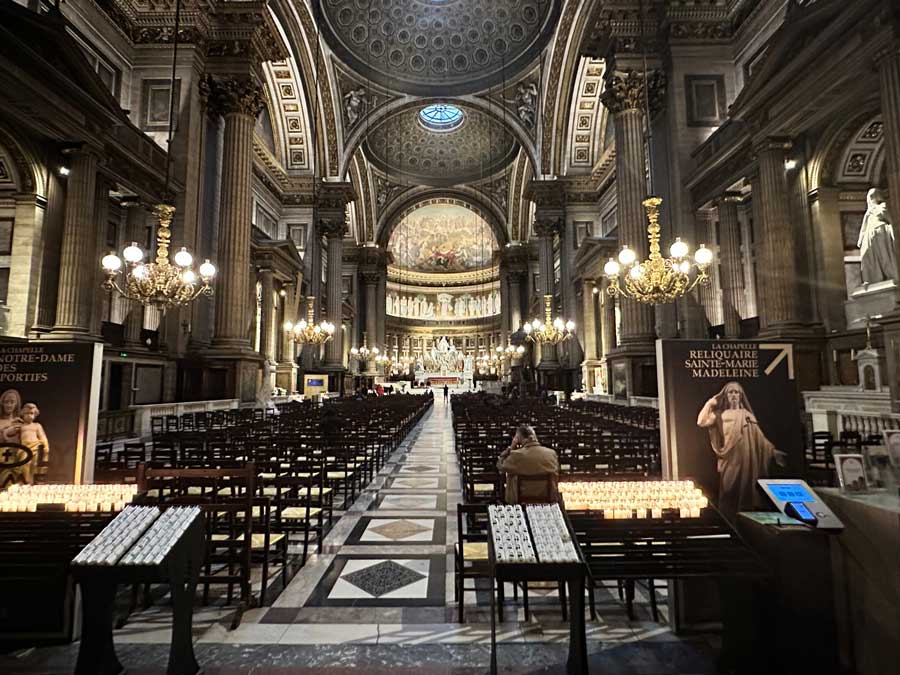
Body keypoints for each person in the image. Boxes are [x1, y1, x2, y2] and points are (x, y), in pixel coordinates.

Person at [697, 381, 787, 522]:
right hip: (729, 460)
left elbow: (760, 439)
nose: (733, 395)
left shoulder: (746, 415)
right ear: (726, 396)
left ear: (740, 396)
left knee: (746, 492)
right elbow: (701, 422)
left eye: (736, 392)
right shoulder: (721, 414)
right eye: (730, 392)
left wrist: (773, 452)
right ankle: (728, 523)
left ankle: (745, 524)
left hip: (746, 459)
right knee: (728, 491)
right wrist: (709, 403)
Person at [496, 424, 560, 504]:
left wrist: (511, 447)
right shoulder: (552, 454)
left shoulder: (515, 455)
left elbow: (500, 466)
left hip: (520, 500)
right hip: (547, 499)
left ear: (519, 439)